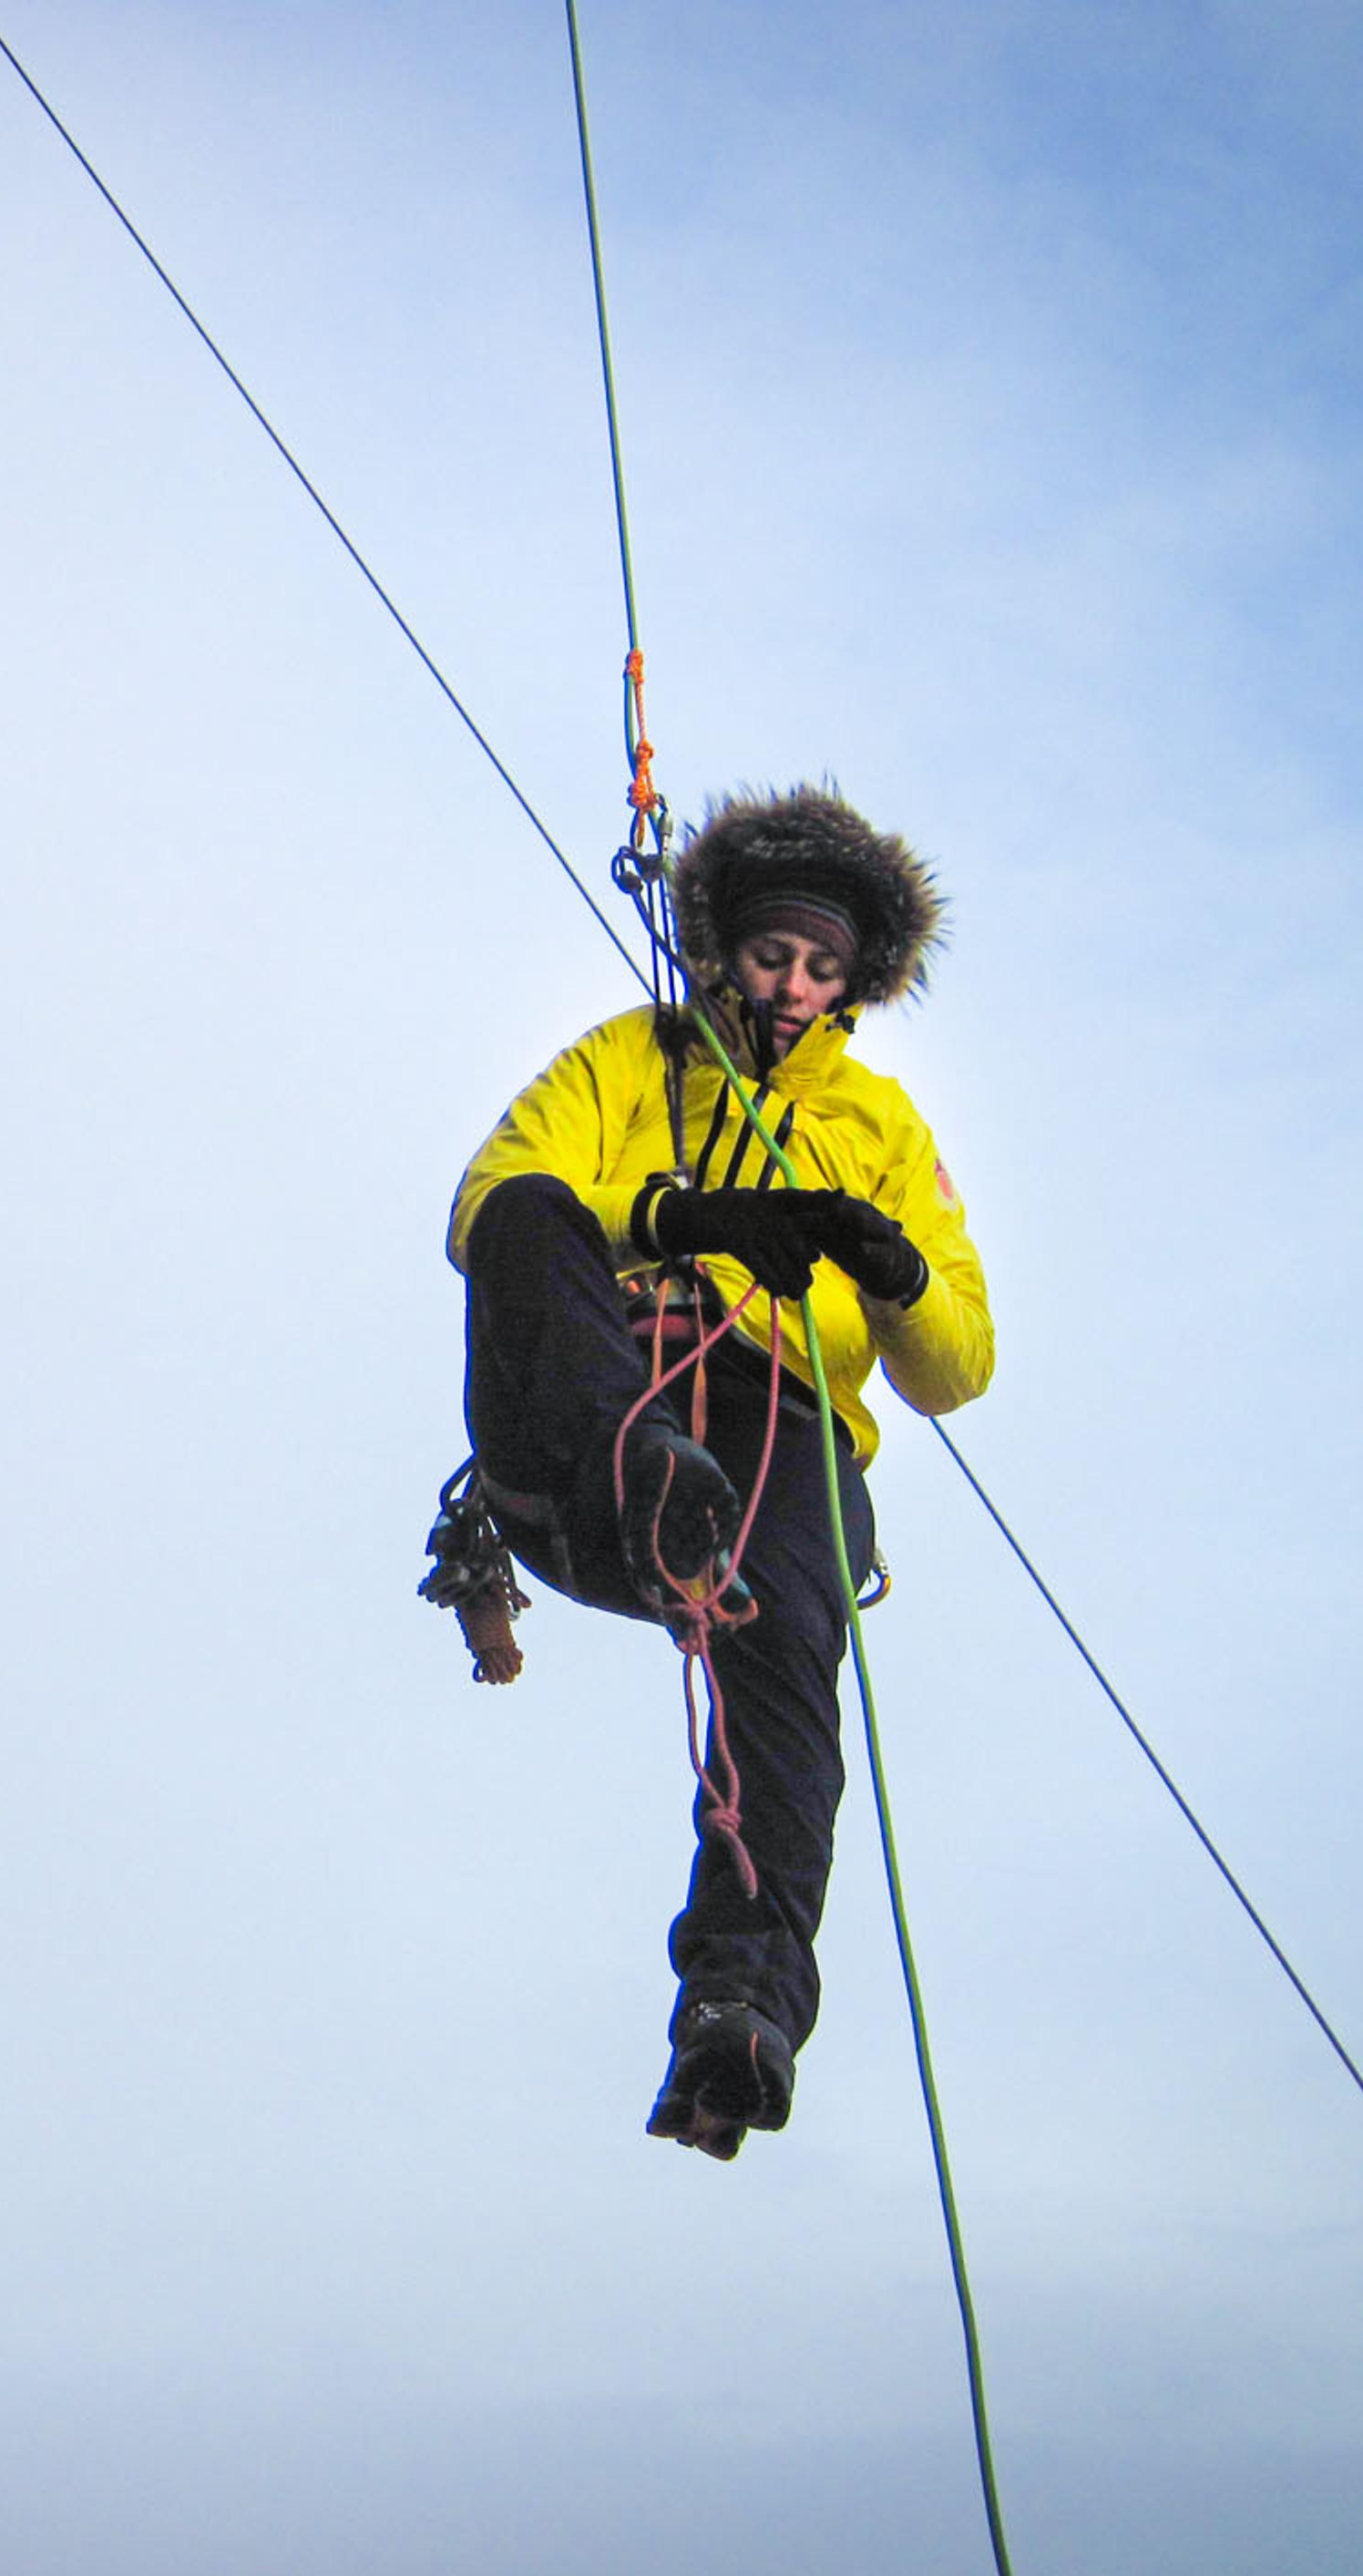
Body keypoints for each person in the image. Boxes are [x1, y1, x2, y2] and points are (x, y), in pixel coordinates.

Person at [445, 785, 991, 2160]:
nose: (794, 986)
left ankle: (740, 2008)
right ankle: (646, 1475)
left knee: (790, 1666)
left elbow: (956, 1367)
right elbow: (492, 1197)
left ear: (854, 979)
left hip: (778, 1434)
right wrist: (682, 1214)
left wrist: (895, 1267)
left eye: (821, 965)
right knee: (526, 1217)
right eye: (770, 956)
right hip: (595, 1405)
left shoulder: (878, 1127)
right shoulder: (633, 1059)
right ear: (725, 951)